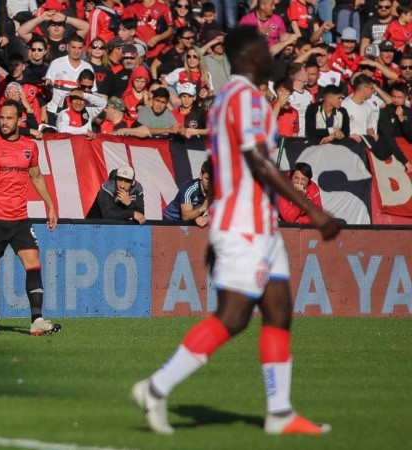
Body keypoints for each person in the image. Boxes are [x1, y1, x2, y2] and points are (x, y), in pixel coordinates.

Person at [130, 25, 340, 436]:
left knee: (278, 309)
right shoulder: (243, 97)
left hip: (259, 224)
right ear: (249, 57)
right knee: (234, 317)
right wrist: (312, 211)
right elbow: (258, 161)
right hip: (244, 226)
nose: (271, 55)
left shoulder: (236, 98)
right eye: (265, 49)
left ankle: (279, 413)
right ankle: (156, 387)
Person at [0, 100, 61, 335]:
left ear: (20, 120)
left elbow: (36, 176)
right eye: (1, 118)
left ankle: (37, 320)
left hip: (20, 219)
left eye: (9, 118)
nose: (4, 122)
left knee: (34, 263)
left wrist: (51, 205)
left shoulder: (30, 146)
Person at [162, 159, 211, 227]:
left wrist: (207, 218)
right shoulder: (190, 187)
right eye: (207, 179)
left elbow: (224, 212)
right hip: (171, 219)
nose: (209, 183)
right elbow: (185, 216)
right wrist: (203, 208)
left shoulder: (217, 190)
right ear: (200, 176)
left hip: (192, 220)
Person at [376, 82, 412, 173]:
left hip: (406, 153)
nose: (396, 100)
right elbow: (388, 138)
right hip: (390, 155)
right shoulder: (385, 111)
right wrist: (404, 160)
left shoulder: (409, 112)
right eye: (394, 96)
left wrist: (401, 119)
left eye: (399, 97)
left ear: (406, 98)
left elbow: (410, 137)